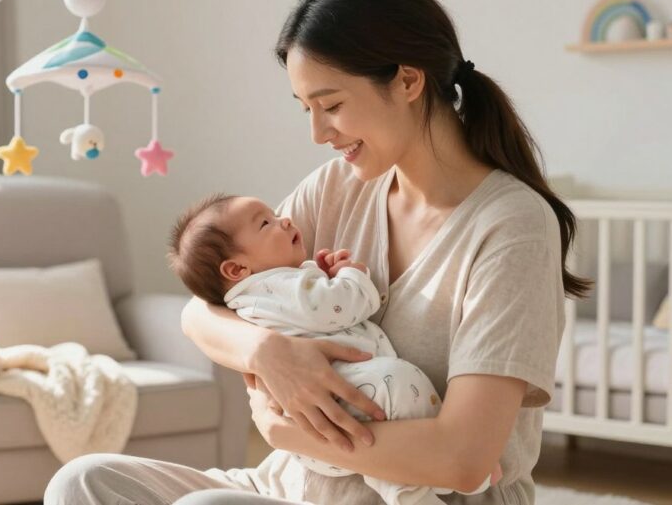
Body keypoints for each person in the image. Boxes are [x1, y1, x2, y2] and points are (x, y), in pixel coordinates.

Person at [44, 0, 590, 505]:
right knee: (83, 482)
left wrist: (284, 432)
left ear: (407, 80)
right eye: (306, 109)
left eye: (331, 106)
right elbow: (201, 311)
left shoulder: (512, 225)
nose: (317, 132)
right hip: (293, 487)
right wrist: (267, 352)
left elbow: (464, 459)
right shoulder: (337, 187)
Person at [165, 192, 499, 504]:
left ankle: (427, 480)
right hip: (335, 406)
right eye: (266, 223)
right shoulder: (275, 287)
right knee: (399, 383)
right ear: (237, 269)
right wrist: (352, 276)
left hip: (314, 432)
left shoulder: (257, 294)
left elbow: (306, 305)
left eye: (275, 214)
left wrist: (316, 275)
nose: (284, 220)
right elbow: (339, 305)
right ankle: (435, 478)